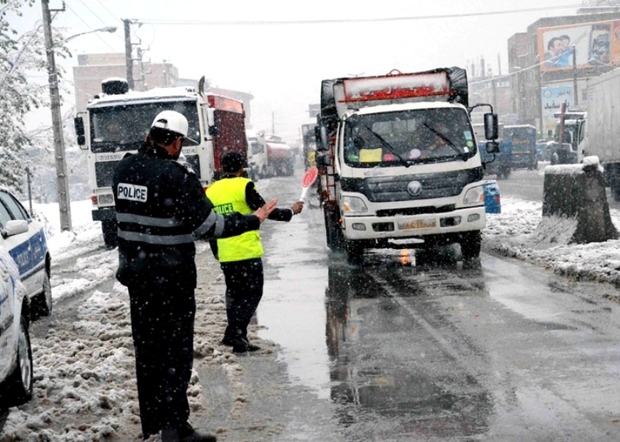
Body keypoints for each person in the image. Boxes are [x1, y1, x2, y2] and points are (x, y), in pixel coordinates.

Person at [112, 110, 276, 442]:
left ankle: (153, 424)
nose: (180, 150)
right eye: (180, 144)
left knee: (148, 353)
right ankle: (175, 428)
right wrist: (253, 220)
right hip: (171, 281)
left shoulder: (123, 170)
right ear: (172, 141)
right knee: (175, 353)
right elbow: (208, 227)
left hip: (137, 279)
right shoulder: (176, 176)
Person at [206, 152, 304, 353]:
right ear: (241, 167)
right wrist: (291, 211)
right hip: (246, 251)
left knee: (233, 294)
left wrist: (215, 249)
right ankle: (236, 334)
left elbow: (209, 222)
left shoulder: (211, 190)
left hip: (226, 252)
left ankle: (233, 333)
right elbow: (266, 210)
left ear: (223, 167)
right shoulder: (244, 185)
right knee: (252, 293)